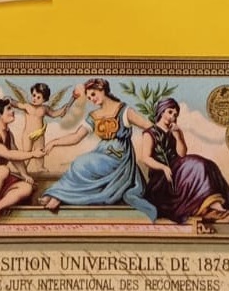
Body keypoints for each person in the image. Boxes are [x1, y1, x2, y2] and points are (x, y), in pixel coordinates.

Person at [40, 79, 156, 220]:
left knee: (81, 163)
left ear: (102, 89)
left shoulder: (124, 110)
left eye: (93, 94)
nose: (92, 99)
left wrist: (148, 147)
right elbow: (76, 136)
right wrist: (54, 142)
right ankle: (57, 195)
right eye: (89, 97)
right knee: (79, 163)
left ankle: (59, 196)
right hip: (101, 153)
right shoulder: (94, 115)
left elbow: (149, 126)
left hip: (119, 157)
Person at [136, 97, 229, 224]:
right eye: (170, 112)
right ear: (161, 111)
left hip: (177, 170)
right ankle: (213, 205)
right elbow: (145, 158)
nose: (172, 117)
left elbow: (182, 154)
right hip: (162, 179)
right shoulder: (150, 133)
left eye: (175, 115)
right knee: (198, 165)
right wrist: (163, 167)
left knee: (208, 164)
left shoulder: (175, 131)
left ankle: (214, 204)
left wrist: (178, 136)